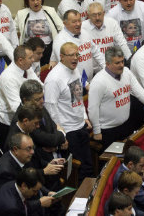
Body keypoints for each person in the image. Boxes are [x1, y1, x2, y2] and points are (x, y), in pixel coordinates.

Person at [88, 47, 144, 150]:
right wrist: (97, 131)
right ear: (107, 64)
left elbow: (141, 93)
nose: (121, 65)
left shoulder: (127, 72)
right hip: (108, 130)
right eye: (117, 63)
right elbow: (92, 109)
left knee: (128, 155)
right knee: (111, 162)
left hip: (127, 125)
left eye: (122, 61)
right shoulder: (98, 81)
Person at [45, 42, 93, 182]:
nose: (75, 58)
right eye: (71, 55)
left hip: (80, 126)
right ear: (61, 57)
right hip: (68, 132)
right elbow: (50, 109)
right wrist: (61, 135)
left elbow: (78, 96)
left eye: (77, 54)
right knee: (76, 174)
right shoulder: (54, 79)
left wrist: (84, 117)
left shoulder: (75, 70)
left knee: (88, 167)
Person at [0, 45, 41, 150]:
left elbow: (39, 86)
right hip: (6, 124)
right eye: (30, 58)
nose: (33, 60)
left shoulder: (27, 68)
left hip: (24, 117)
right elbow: (17, 107)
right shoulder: (8, 78)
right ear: (20, 60)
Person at [50, 9, 105, 82]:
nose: (78, 24)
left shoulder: (85, 32)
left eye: (79, 20)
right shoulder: (60, 40)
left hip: (90, 80)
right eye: (74, 22)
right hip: (75, 84)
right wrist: (84, 84)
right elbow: (67, 67)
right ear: (65, 23)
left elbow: (97, 52)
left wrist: (107, 69)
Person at [15, 0, 63, 65]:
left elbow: (61, 28)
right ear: (28, 1)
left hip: (47, 50)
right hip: (30, 52)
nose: (36, 2)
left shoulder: (50, 11)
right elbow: (14, 30)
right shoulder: (21, 14)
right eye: (32, 0)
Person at [81, 2, 131, 72]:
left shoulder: (112, 23)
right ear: (88, 16)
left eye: (99, 14)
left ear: (104, 13)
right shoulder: (82, 27)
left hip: (112, 68)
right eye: (94, 15)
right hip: (93, 71)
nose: (97, 18)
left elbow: (122, 43)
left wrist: (130, 60)